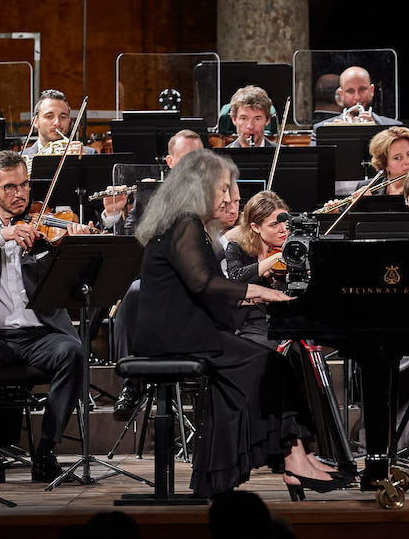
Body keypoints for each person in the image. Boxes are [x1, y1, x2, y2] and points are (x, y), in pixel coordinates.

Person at [133, 151, 346, 498]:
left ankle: (295, 460)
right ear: (198, 189)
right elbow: (204, 283)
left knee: (273, 362)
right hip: (172, 334)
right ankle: (293, 462)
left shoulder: (192, 226)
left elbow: (206, 289)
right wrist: (260, 290)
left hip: (189, 328)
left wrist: (254, 297)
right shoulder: (183, 223)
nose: (231, 198)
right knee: (264, 363)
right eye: (223, 190)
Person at [0, 150, 87, 484]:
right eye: (10, 187)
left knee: (73, 352)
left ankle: (46, 453)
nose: (20, 193)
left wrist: (76, 249)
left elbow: (71, 283)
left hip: (41, 333)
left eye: (24, 184)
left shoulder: (45, 222)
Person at [222, 191, 344, 480]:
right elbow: (235, 281)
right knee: (278, 359)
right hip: (252, 330)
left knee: (306, 357)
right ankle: (290, 455)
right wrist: (274, 260)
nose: (282, 230)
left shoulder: (297, 246)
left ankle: (308, 452)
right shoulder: (238, 248)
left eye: (285, 224)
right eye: (274, 225)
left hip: (289, 325)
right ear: (255, 227)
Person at [111, 129, 205, 419]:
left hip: (202, 282)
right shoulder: (149, 195)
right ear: (170, 161)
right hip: (160, 282)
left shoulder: (219, 190)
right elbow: (131, 243)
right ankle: (132, 381)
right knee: (134, 292)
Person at [310, 66, 401, 142]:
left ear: (371, 90)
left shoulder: (396, 128)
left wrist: (375, 132)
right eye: (350, 91)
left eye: (362, 89)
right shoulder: (320, 130)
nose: (357, 97)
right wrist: (336, 135)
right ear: (341, 95)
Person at [22, 90, 96, 157]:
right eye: (49, 116)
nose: (57, 123)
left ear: (69, 121)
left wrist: (84, 161)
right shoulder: (21, 158)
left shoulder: (89, 154)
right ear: (35, 122)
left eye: (63, 117)